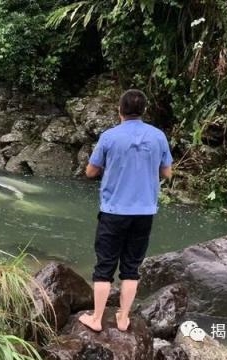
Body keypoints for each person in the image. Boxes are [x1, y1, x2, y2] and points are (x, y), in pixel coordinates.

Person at [79, 89, 173, 332]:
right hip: (144, 212)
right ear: (143, 111)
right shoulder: (158, 136)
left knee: (104, 266)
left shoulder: (109, 137)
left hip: (113, 211)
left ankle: (97, 319)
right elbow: (167, 172)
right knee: (132, 267)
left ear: (120, 110)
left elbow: (90, 172)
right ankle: (123, 318)